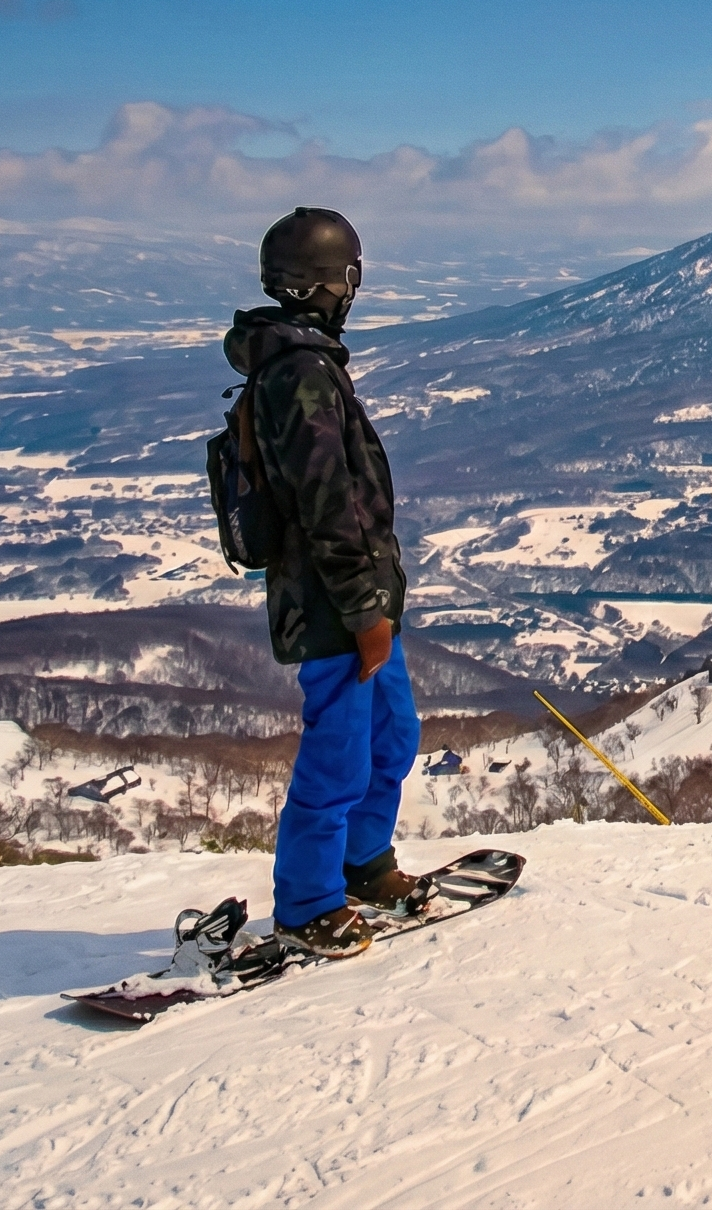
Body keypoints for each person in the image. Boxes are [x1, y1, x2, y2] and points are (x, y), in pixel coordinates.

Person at [225, 207, 418, 958]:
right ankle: (308, 902)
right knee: (338, 754)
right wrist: (364, 605)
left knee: (393, 738)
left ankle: (361, 864)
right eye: (348, 277)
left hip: (363, 595)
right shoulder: (299, 375)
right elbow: (325, 505)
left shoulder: (307, 363)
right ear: (330, 284)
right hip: (337, 601)